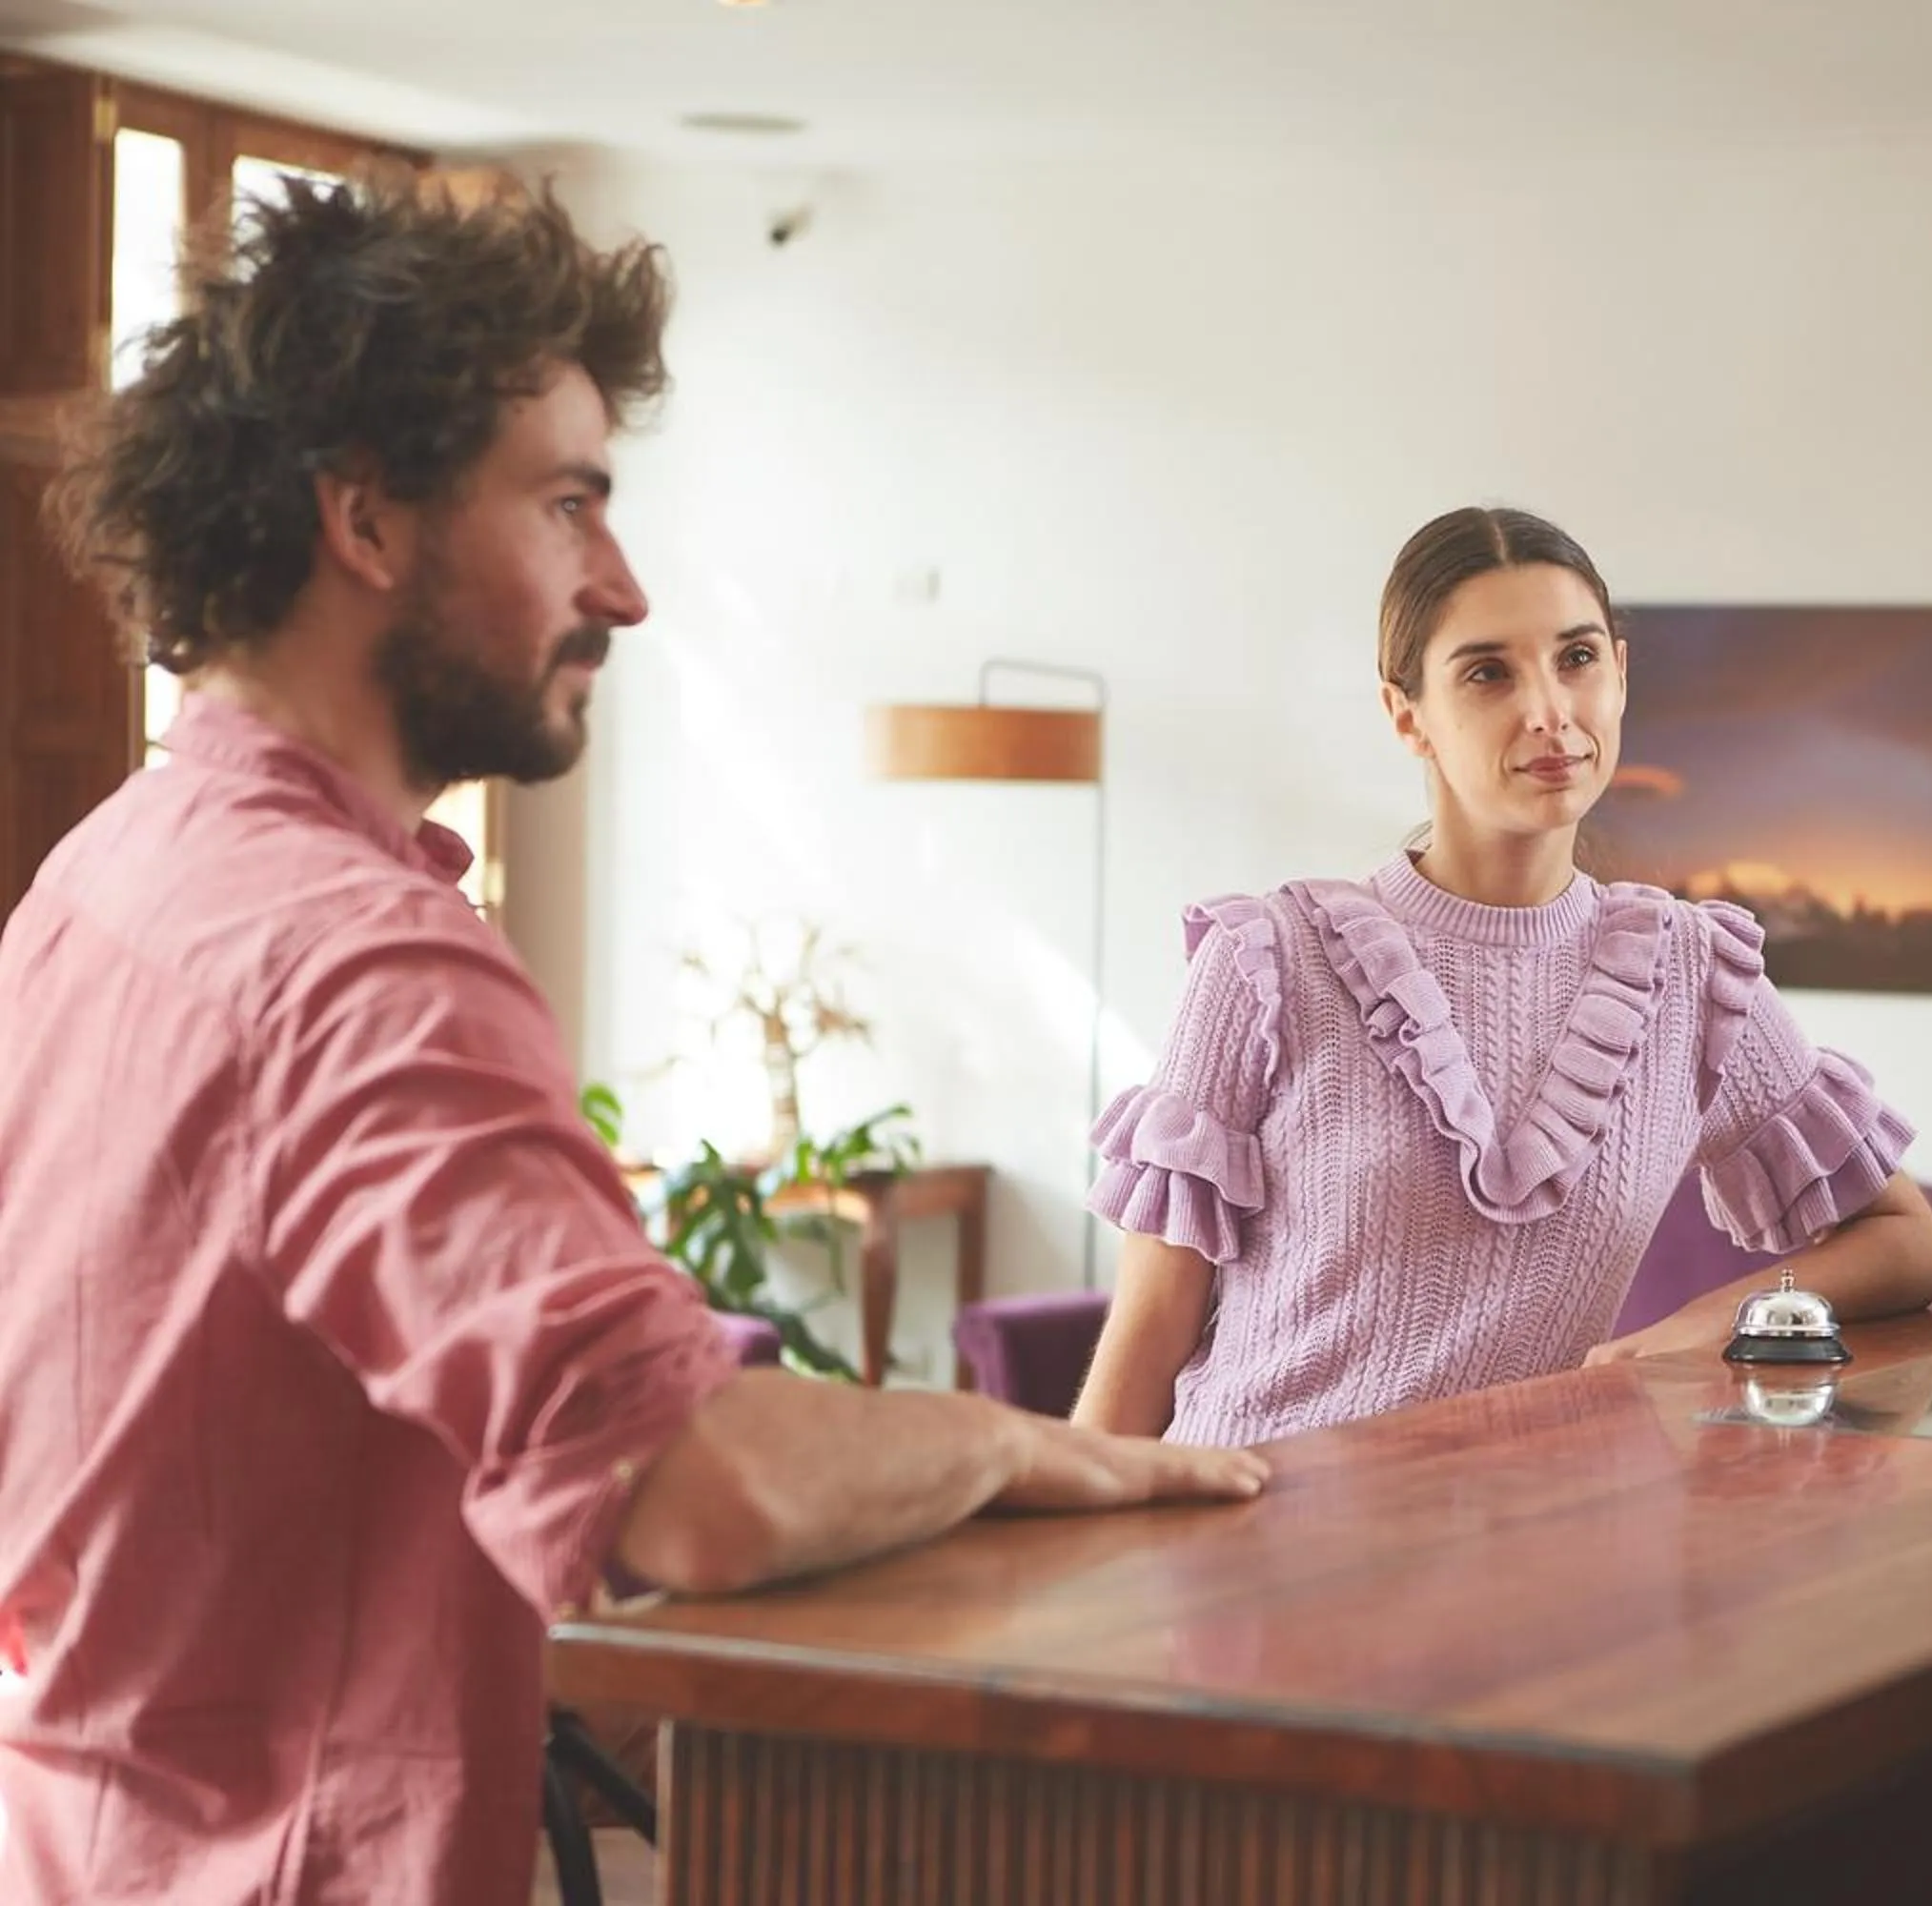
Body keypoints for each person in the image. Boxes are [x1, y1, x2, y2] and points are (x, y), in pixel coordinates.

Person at [0, 172, 1264, 1906]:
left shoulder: (105, 875)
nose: (628, 587)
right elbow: (697, 1492)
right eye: (573, 503)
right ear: (367, 524)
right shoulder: (357, 961)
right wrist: (1023, 1438)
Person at [1073, 505, 1932, 1445]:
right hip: (1247, 1526)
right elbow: (1148, 1340)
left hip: (1518, 1549)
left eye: (1576, 659)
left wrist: (1705, 1324)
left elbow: (1904, 1238)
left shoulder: (1691, 974)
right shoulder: (1267, 959)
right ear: (1407, 714)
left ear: (1619, 672)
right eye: (1488, 673)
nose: (1549, 712)